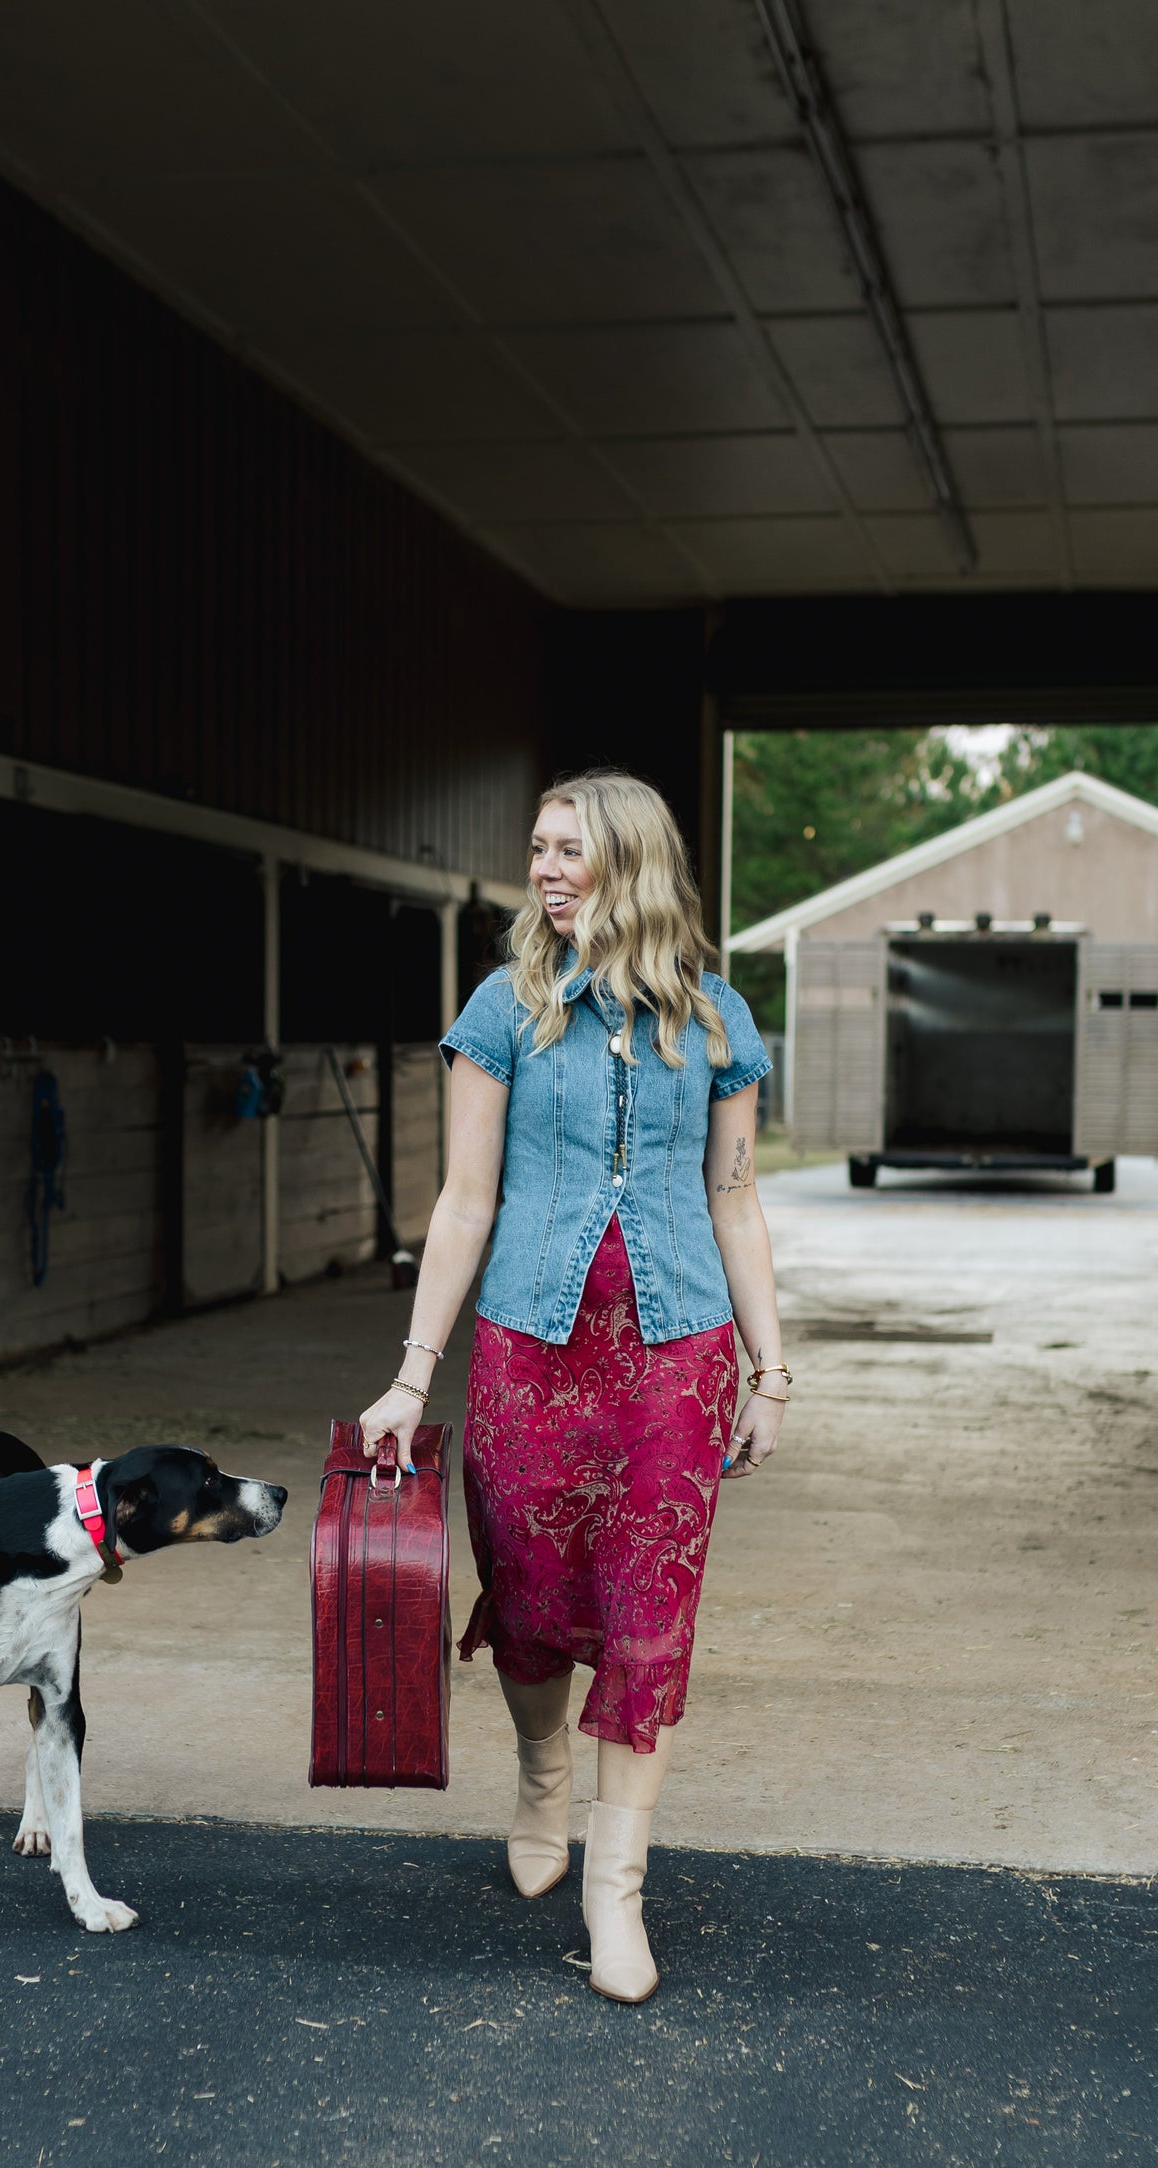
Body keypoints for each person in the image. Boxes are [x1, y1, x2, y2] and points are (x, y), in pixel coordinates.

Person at [357, 770, 788, 2004]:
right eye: (537, 850)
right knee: (533, 1596)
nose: (545, 871)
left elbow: (734, 1196)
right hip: (527, 1354)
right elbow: (464, 1199)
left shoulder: (712, 1019)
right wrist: (409, 1373)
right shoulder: (504, 1008)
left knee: (648, 1617)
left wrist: (772, 1369)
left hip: (673, 1356)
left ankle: (617, 1888)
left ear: (630, 864)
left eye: (570, 852)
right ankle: (541, 1765)